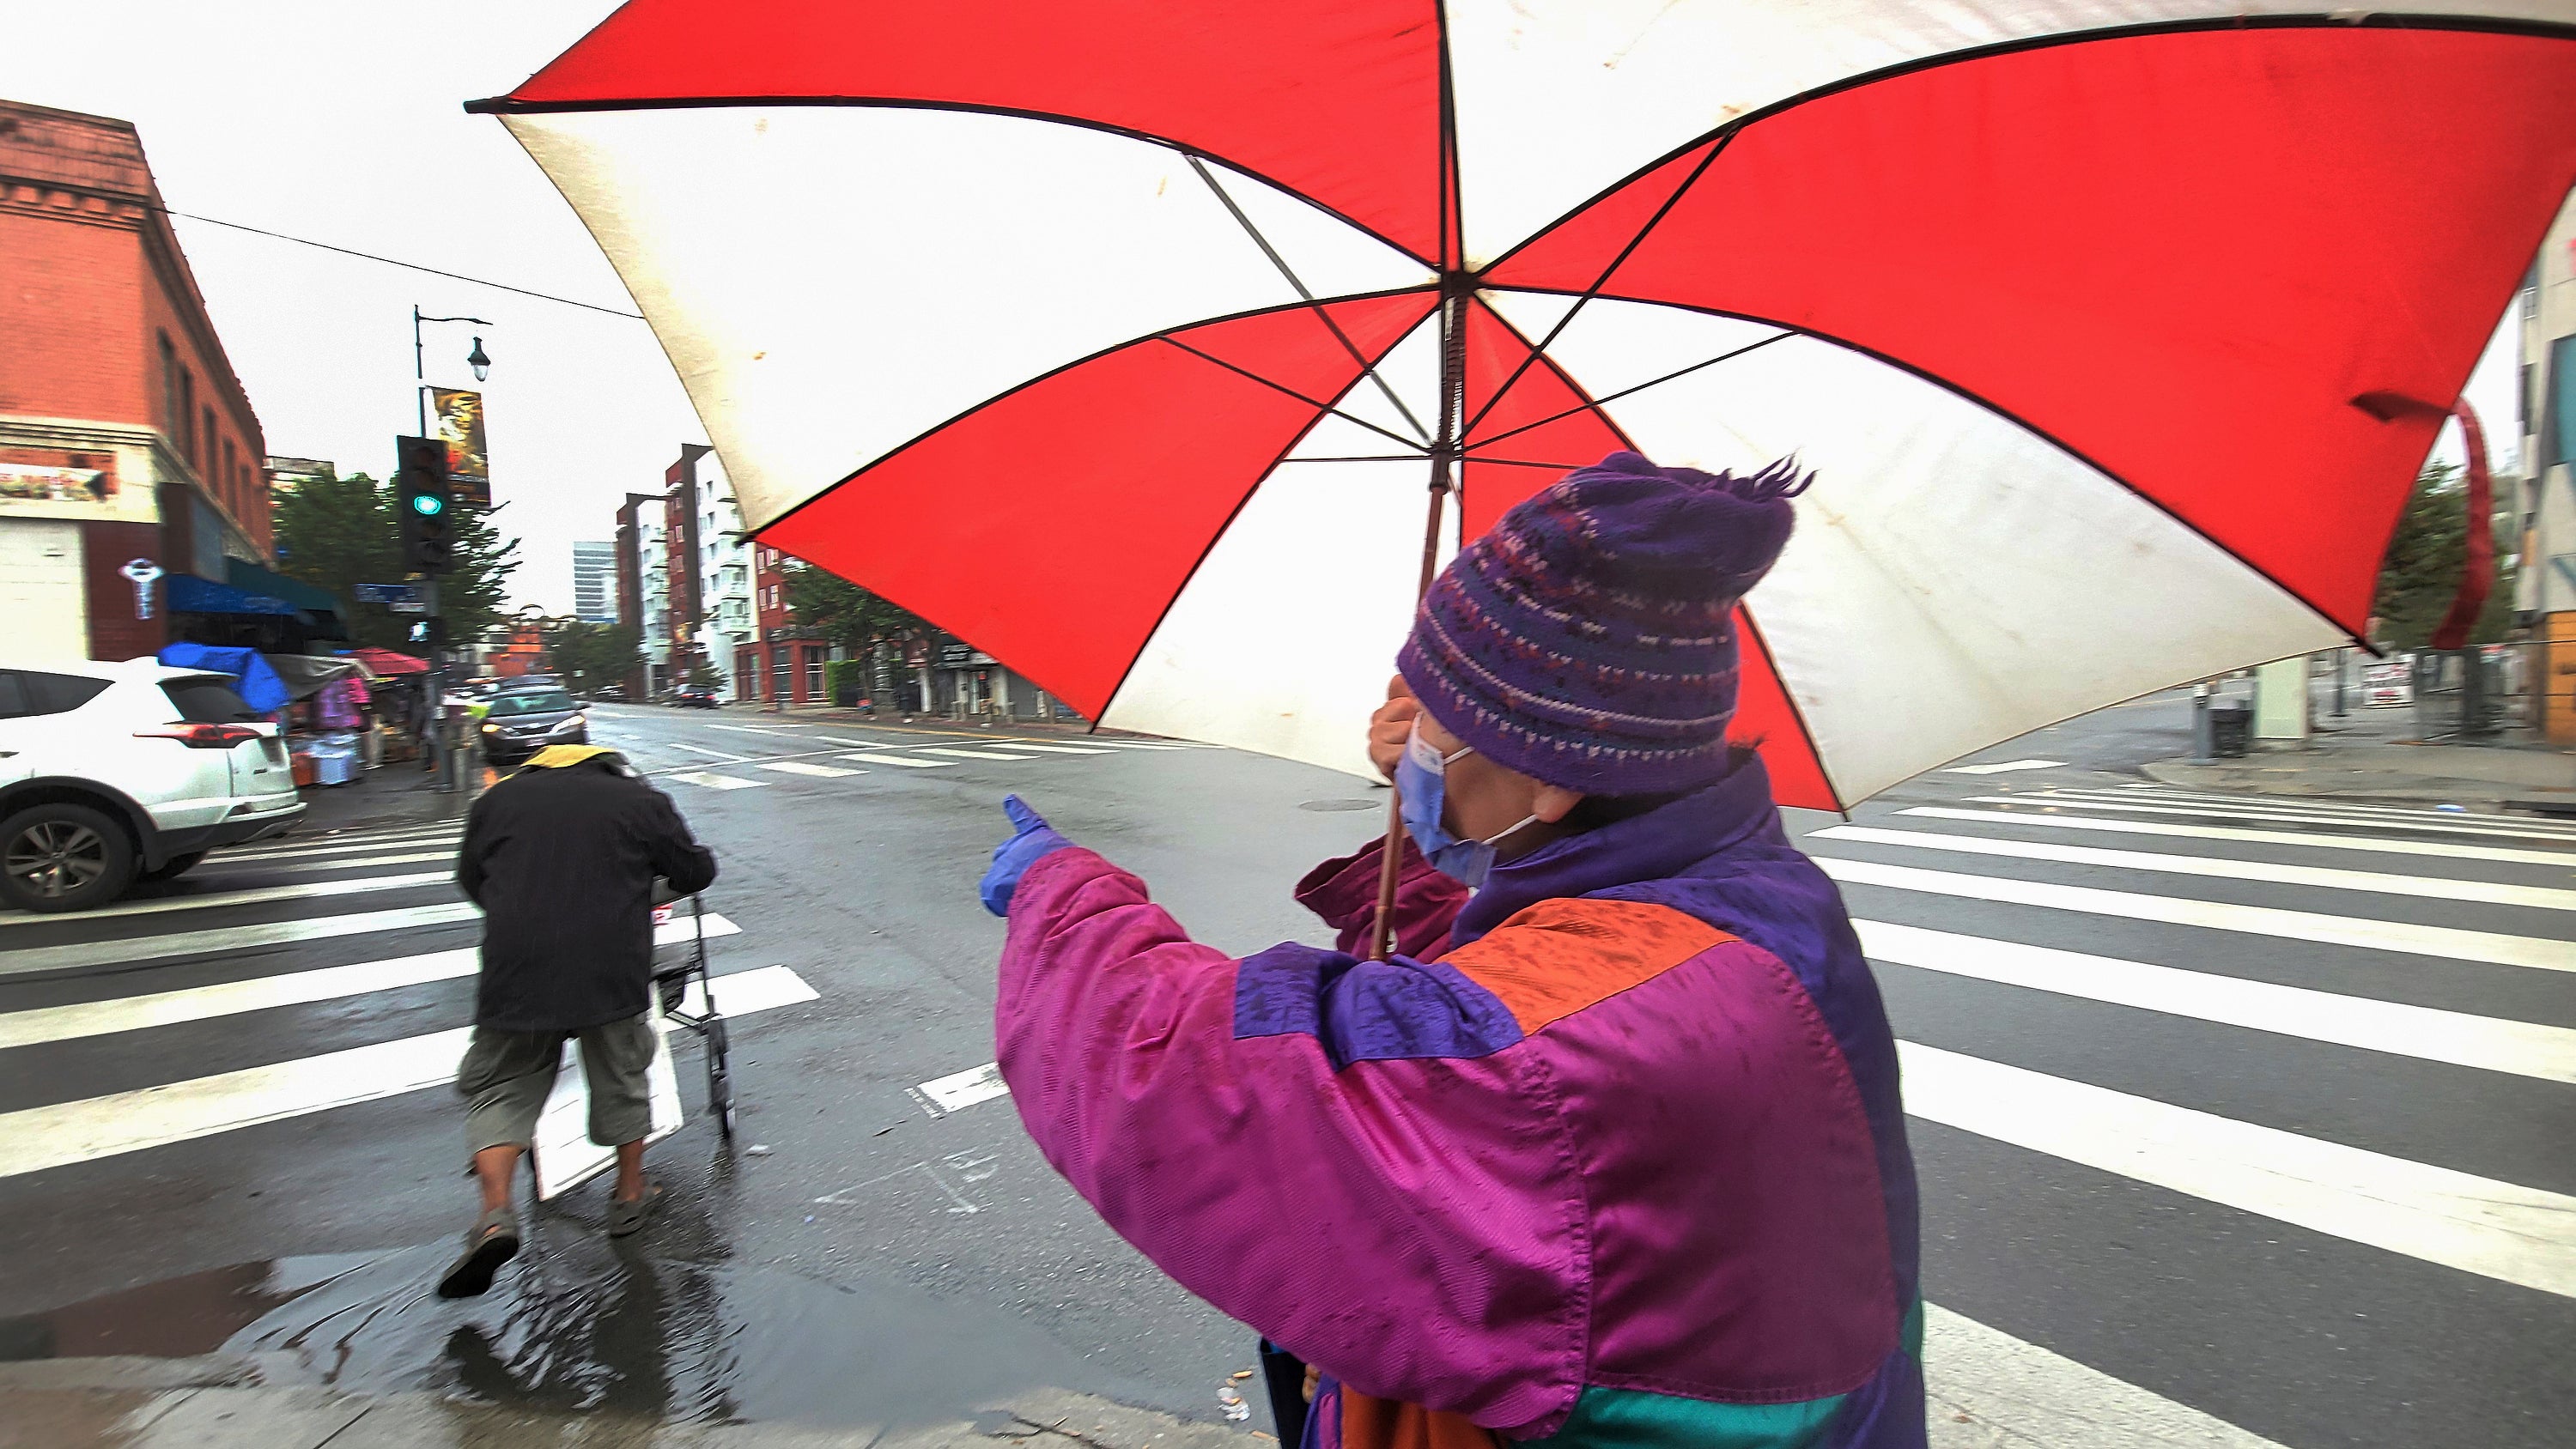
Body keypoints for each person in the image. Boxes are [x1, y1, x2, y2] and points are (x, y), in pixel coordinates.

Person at [980, 452, 1923, 1449]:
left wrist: (1063, 894)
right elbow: (1532, 974)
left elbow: (1188, 1069)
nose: (1406, 735)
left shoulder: (1562, 1038)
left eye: (1434, 715)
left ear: (1553, 776)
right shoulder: (1748, 897)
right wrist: (1434, 827)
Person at [437, 743, 718, 1300]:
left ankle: (495, 1214)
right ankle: (630, 1195)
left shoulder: (499, 801)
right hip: (607, 965)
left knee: (502, 1086)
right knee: (622, 1073)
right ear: (603, 764)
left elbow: (472, 880)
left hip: (518, 968)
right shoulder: (638, 799)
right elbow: (694, 870)